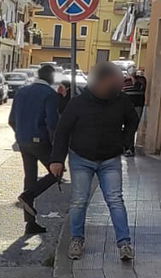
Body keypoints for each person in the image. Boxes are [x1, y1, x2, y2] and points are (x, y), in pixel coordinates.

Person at [51, 62, 139, 262]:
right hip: (81, 158)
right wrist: (57, 159)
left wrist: (125, 141)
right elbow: (62, 131)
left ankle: (124, 244)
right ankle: (76, 240)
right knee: (79, 201)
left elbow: (132, 120)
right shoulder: (78, 103)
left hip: (110, 159)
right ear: (99, 82)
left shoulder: (121, 101)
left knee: (115, 200)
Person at [9, 65, 60, 235]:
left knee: (29, 177)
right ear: (51, 78)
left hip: (23, 141)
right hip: (41, 141)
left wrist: (20, 134)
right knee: (57, 172)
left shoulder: (22, 92)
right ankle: (28, 196)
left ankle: (30, 223)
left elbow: (11, 120)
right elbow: (52, 123)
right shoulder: (50, 95)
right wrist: (56, 148)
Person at [122, 66, 146, 157]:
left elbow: (140, 88)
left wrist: (133, 78)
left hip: (137, 107)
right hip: (126, 107)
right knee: (127, 128)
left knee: (132, 127)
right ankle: (126, 147)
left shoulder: (141, 80)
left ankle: (129, 148)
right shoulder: (124, 82)